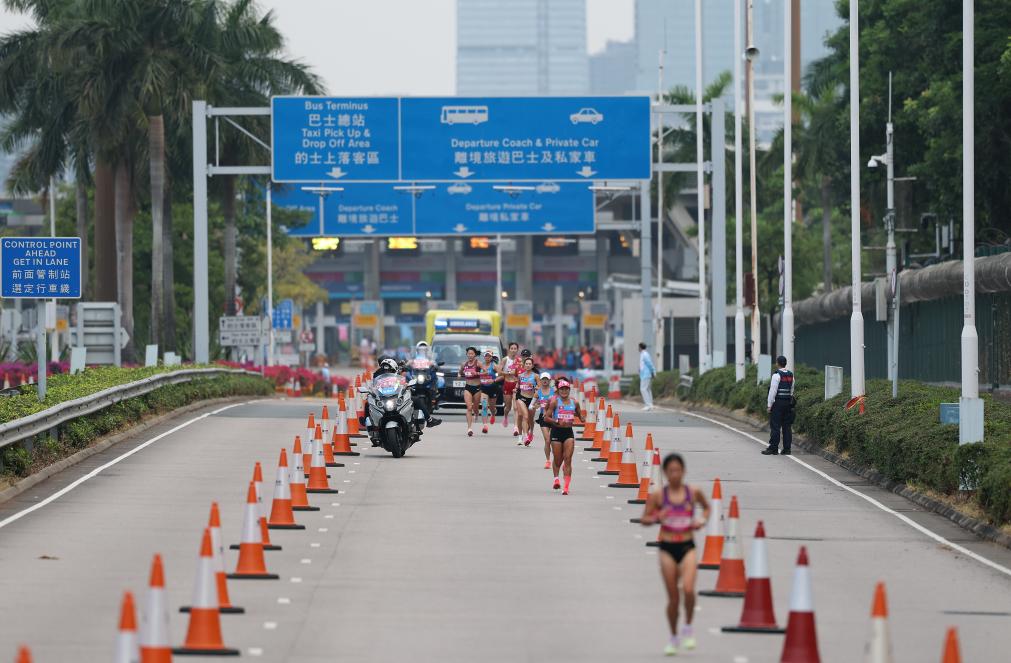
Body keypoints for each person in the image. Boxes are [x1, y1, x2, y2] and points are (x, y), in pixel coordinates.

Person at [639, 453, 710, 655]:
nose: (675, 474)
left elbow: (706, 508)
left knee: (688, 589)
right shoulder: (658, 496)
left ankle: (687, 627)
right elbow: (644, 519)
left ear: (684, 471)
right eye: (671, 471)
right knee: (673, 598)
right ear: (665, 473)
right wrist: (656, 517)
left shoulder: (693, 492)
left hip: (687, 546)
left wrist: (701, 521)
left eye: (678, 470)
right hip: (668, 548)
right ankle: (673, 636)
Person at [543, 378, 581, 494]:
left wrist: (583, 418)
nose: (564, 391)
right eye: (562, 389)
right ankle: (556, 479)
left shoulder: (575, 403)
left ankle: (566, 487)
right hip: (556, 432)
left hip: (568, 433)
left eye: (566, 389)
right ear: (558, 390)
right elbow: (546, 418)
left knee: (568, 459)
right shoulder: (554, 402)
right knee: (558, 459)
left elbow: (580, 415)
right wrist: (556, 421)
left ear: (569, 390)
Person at [762, 355, 795, 456]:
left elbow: (773, 391)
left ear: (777, 363)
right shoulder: (791, 375)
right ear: (785, 363)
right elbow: (792, 390)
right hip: (788, 403)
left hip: (778, 403)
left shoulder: (776, 375)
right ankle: (787, 449)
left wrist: (769, 405)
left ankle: (773, 448)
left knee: (775, 426)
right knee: (787, 427)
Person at [533, 372, 556, 469]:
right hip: (543, 417)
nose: (545, 381)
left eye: (547, 379)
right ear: (541, 380)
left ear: (550, 380)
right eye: (543, 379)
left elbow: (560, 402)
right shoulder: (538, 392)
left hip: (554, 418)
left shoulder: (554, 391)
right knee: (547, 440)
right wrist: (536, 406)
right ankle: (548, 460)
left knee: (555, 441)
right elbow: (532, 405)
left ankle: (557, 458)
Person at [514, 356, 538, 446]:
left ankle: (531, 432)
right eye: (526, 364)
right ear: (524, 365)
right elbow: (518, 385)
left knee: (530, 419)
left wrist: (533, 386)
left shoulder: (535, 376)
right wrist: (515, 389)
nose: (528, 365)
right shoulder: (520, 376)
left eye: (529, 364)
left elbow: (539, 388)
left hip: (532, 399)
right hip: (521, 398)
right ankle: (524, 436)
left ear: (532, 366)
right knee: (524, 416)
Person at [460, 346, 483, 437]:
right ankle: (469, 428)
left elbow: (486, 372)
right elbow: (460, 371)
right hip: (468, 387)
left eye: (472, 354)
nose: (470, 355)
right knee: (469, 408)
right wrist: (460, 374)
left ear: (475, 355)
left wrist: (477, 373)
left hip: (477, 388)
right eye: (469, 354)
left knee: (475, 407)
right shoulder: (464, 364)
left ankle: (476, 413)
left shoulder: (478, 363)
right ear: (467, 354)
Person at [479, 350, 502, 434]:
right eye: (486, 356)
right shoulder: (481, 365)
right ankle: (485, 425)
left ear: (491, 357)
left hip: (493, 388)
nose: (487, 357)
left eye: (489, 356)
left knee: (492, 407)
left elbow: (502, 376)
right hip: (483, 388)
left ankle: (493, 414)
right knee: (484, 406)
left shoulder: (494, 366)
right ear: (484, 357)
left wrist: (494, 380)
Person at [500, 342, 520, 433]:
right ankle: (505, 417)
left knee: (516, 407)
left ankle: (515, 427)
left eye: (515, 348)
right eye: (511, 348)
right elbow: (499, 372)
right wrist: (508, 373)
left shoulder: (519, 360)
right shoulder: (505, 359)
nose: (513, 350)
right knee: (508, 407)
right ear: (509, 349)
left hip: (516, 384)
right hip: (507, 384)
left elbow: (522, 372)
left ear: (517, 350)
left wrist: (516, 373)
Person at [639, 342, 656, 411]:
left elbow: (650, 364)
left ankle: (648, 405)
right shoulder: (644, 354)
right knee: (648, 389)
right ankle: (650, 404)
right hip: (646, 374)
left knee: (643, 389)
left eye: (638, 347)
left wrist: (653, 372)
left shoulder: (644, 354)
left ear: (640, 347)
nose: (638, 348)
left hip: (646, 374)